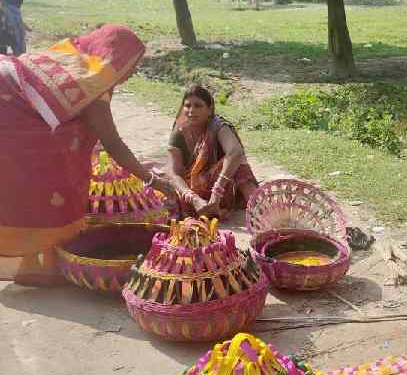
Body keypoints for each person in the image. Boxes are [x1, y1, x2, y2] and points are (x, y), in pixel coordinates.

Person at [0, 25, 176, 284]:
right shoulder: (92, 83)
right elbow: (113, 143)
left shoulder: (72, 61)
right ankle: (38, 267)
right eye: (131, 64)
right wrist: (152, 180)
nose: (133, 71)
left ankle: (32, 264)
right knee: (54, 180)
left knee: (34, 183)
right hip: (10, 115)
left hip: (8, 97)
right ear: (115, 60)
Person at [166, 84, 259, 220]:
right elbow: (173, 172)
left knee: (239, 164)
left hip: (221, 187)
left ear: (210, 110)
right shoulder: (179, 131)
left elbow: (235, 152)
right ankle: (210, 209)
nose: (191, 110)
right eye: (187, 106)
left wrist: (217, 192)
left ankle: (260, 209)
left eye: (198, 106)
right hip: (193, 188)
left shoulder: (217, 126)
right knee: (168, 197)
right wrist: (193, 198)